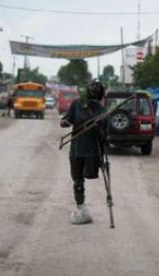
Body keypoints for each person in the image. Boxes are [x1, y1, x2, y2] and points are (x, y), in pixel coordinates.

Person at [60, 80, 106, 225]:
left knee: (90, 175)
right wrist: (65, 122)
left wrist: (98, 128)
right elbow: (65, 120)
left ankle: (83, 207)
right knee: (77, 180)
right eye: (92, 85)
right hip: (76, 149)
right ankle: (80, 206)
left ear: (100, 93)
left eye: (97, 87)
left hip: (91, 151)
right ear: (86, 89)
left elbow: (105, 135)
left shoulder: (101, 110)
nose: (94, 88)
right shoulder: (76, 104)